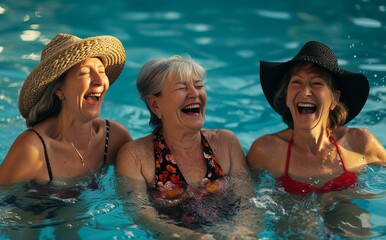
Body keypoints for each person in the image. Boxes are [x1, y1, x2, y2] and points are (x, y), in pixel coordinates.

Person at [116, 55, 258, 239]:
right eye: (182, 88)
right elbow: (141, 215)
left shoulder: (226, 143)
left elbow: (248, 202)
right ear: (155, 104)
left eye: (199, 86)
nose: (194, 94)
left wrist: (242, 231)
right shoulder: (136, 156)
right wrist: (186, 236)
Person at [247, 40, 386, 195]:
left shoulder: (360, 143)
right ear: (286, 97)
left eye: (317, 83)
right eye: (297, 82)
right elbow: (242, 198)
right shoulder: (266, 150)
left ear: (334, 98)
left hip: (346, 211)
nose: (305, 91)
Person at [0, 33, 132, 185]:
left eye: (101, 71)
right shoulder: (33, 149)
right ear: (60, 90)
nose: (99, 80)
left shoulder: (114, 137)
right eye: (84, 72)